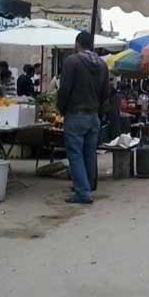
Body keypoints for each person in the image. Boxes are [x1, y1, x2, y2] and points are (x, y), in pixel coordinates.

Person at [57, 31, 110, 205]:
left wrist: (62, 109)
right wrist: (99, 112)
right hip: (94, 116)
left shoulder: (72, 61)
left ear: (77, 44)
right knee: (89, 153)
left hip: (76, 113)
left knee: (75, 154)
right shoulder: (102, 65)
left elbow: (64, 90)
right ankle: (87, 185)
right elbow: (105, 93)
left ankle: (83, 192)